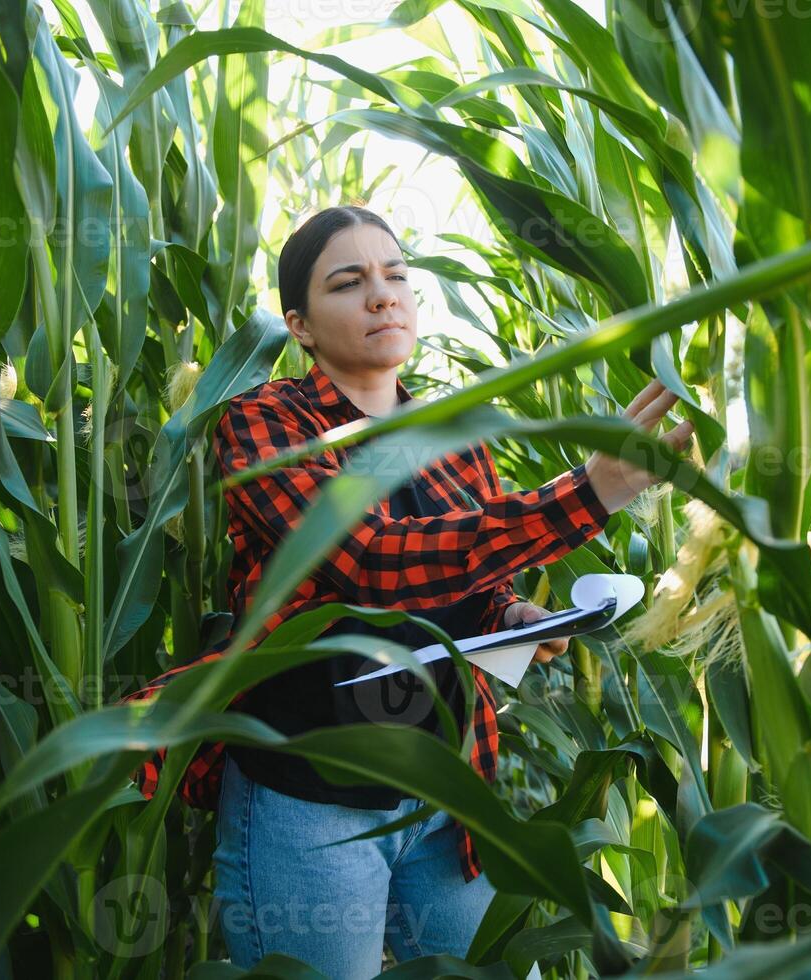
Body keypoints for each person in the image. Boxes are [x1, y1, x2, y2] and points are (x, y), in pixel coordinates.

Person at [129, 206, 692, 977]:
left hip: (444, 792)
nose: (382, 296)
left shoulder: (454, 433)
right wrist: (585, 495)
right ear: (298, 324)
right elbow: (367, 561)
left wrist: (517, 616)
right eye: (348, 282)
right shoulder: (261, 426)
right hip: (308, 803)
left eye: (396, 275)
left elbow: (470, 581)